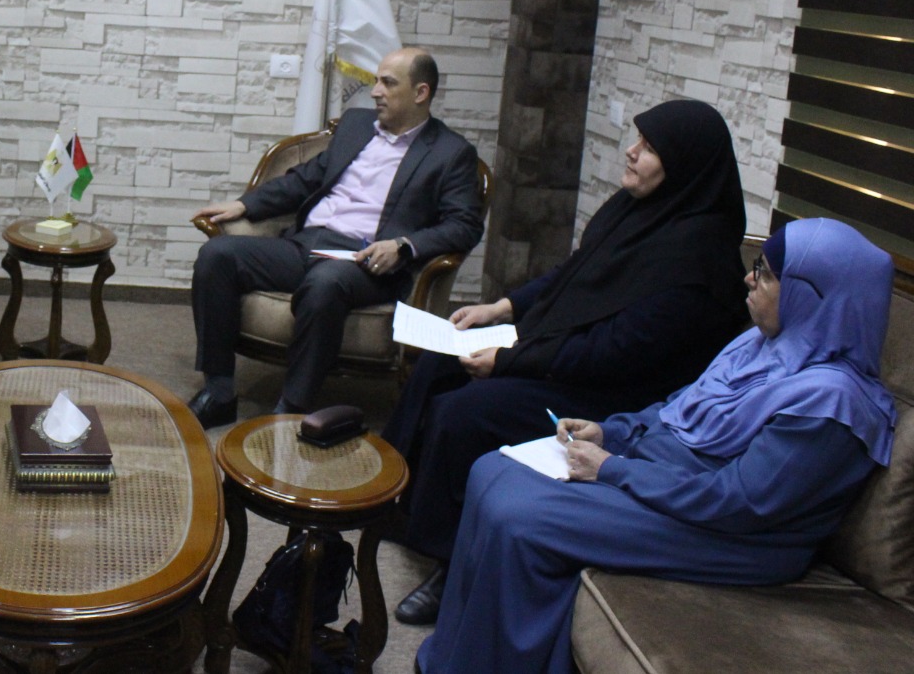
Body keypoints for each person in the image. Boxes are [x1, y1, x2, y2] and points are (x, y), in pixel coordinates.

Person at [417, 217, 897, 674]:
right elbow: (677, 408)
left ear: (814, 298)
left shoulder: (831, 404)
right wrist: (611, 432)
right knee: (489, 470)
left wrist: (611, 469)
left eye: (767, 275)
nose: (749, 280)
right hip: (673, 484)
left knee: (517, 514)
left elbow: (741, 501)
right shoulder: (760, 346)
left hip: (732, 536)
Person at [382, 98, 750, 625]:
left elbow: (618, 351)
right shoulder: (636, 208)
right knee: (438, 365)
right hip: (570, 355)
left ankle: (454, 561)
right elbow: (573, 274)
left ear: (685, 166)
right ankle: (399, 500)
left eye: (649, 148)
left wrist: (510, 360)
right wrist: (502, 308)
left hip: (614, 394)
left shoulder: (698, 260)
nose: (631, 151)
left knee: (467, 411)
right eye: (637, 139)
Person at [188, 46, 484, 425]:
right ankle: (219, 391)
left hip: (364, 261)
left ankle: (291, 409)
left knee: (324, 284)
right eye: (376, 81)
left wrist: (403, 246)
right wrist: (245, 205)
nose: (375, 91)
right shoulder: (357, 125)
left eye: (388, 83)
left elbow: (464, 225)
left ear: (420, 93)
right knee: (217, 255)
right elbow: (306, 179)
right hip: (305, 244)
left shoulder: (450, 152)